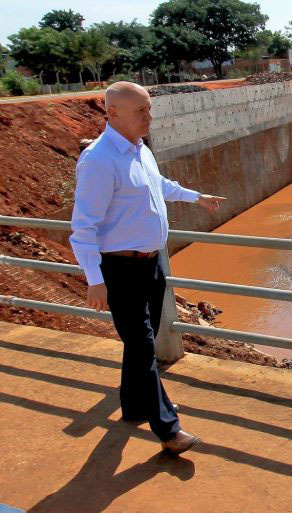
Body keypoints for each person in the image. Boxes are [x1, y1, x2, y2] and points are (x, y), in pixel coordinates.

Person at [70, 81, 226, 456]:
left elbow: (159, 185)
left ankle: (134, 405)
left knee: (141, 343)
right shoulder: (99, 160)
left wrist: (196, 197)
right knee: (142, 348)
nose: (149, 117)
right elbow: (83, 229)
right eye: (141, 111)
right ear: (113, 113)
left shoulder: (139, 151)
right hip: (119, 270)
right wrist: (95, 280)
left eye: (149, 109)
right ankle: (168, 430)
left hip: (150, 266)